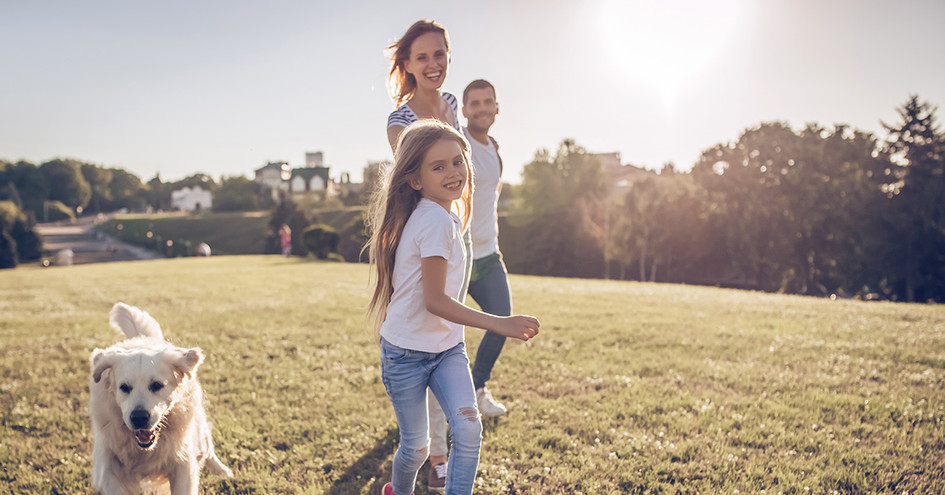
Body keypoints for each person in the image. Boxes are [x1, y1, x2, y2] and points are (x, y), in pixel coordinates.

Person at [365, 120, 540, 495]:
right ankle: (398, 491)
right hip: (405, 354)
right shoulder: (435, 221)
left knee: (468, 427)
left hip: (446, 350)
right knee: (415, 448)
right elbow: (436, 301)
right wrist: (500, 323)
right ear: (414, 179)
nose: (453, 172)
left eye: (457, 161)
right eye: (438, 166)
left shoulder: (446, 215)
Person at [384, 19, 467, 492]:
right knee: (427, 337)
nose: (433, 64)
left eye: (440, 54)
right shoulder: (400, 120)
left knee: (448, 338)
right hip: (423, 236)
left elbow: (457, 166)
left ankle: (437, 449)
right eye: (422, 57)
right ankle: (435, 454)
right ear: (408, 65)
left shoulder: (452, 104)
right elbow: (419, 178)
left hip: (458, 230)